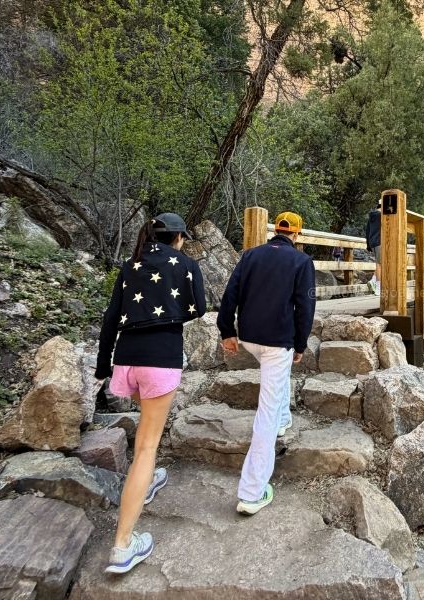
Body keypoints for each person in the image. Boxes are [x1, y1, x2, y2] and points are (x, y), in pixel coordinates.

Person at [95, 213, 205, 574]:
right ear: (176, 238)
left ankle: (150, 477)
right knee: (146, 446)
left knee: (145, 428)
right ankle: (123, 546)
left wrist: (102, 365)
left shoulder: (130, 266)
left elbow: (112, 316)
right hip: (161, 358)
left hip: (127, 358)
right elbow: (199, 307)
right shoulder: (185, 265)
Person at [217, 211, 316, 516]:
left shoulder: (250, 255)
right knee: (266, 410)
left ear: (276, 230)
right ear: (296, 235)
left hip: (249, 337)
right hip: (278, 341)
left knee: (276, 380)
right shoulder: (301, 262)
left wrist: (227, 331)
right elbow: (305, 306)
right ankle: (252, 491)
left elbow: (230, 293)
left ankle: (284, 419)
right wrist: (300, 343)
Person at [365, 201, 381, 296]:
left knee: (379, 263)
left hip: (373, 243)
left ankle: (373, 280)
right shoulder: (381, 215)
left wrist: (368, 245)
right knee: (380, 265)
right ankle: (378, 288)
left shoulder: (372, 217)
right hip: (380, 241)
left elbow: (367, 231)